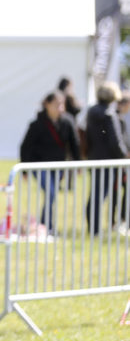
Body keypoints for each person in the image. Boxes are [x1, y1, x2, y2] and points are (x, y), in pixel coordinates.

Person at [19, 91, 80, 231]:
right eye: (56, 104)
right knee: (51, 193)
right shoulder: (36, 124)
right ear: (47, 105)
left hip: (58, 165)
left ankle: (44, 225)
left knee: (51, 195)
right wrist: (24, 169)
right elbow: (26, 146)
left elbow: (74, 143)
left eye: (61, 105)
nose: (59, 108)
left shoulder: (67, 121)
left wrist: (77, 163)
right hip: (39, 165)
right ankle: (47, 225)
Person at [84, 81, 129, 235]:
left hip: (94, 158)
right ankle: (96, 230)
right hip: (109, 161)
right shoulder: (110, 114)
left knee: (95, 195)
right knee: (100, 195)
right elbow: (115, 140)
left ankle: (93, 228)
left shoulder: (91, 112)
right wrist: (124, 155)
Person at [58, 76, 85, 158]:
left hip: (60, 125)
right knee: (73, 144)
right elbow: (75, 110)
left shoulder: (58, 95)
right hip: (70, 124)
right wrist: (79, 105)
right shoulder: (69, 96)